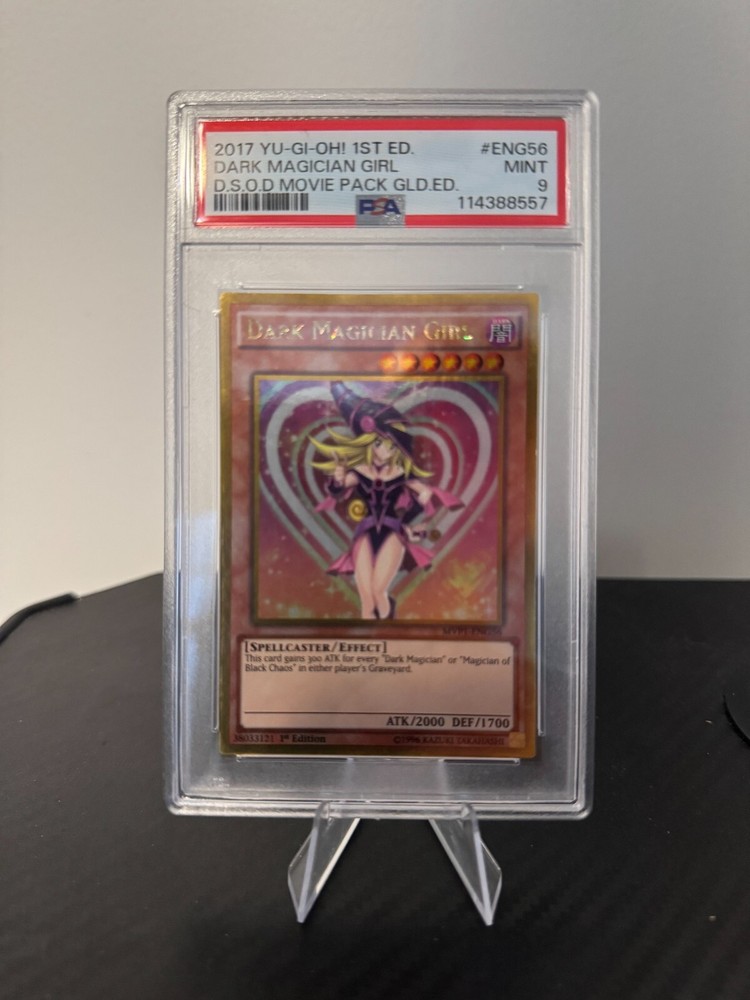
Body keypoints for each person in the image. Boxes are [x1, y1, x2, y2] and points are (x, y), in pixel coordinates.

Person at [311, 382, 463, 619]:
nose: (383, 450)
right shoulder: (360, 471)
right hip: (364, 532)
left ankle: (388, 628)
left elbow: (424, 492)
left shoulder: (401, 474)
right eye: (378, 443)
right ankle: (370, 635)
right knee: (366, 597)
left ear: (397, 449)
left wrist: (415, 510)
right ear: (368, 443)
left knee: (378, 591)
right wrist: (338, 479)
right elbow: (337, 491)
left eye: (390, 446)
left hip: (393, 532)